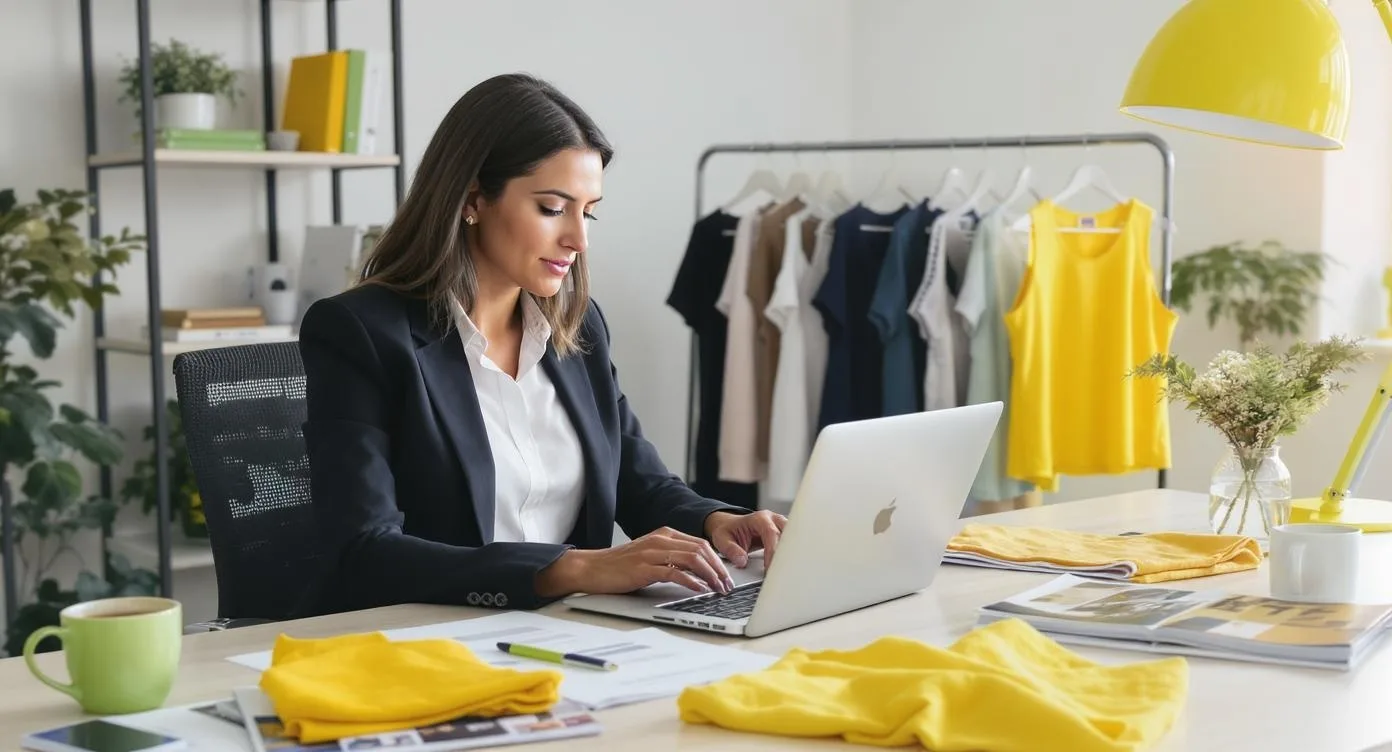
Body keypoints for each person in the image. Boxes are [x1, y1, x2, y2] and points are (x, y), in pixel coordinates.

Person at [296, 73, 786, 616]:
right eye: (553, 208)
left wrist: (716, 520)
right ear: (473, 198)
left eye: (588, 211)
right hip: (430, 636)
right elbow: (364, 552)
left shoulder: (579, 328)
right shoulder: (360, 332)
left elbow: (637, 481)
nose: (579, 239)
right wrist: (571, 568)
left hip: (568, 630)